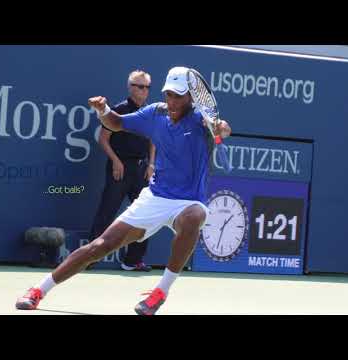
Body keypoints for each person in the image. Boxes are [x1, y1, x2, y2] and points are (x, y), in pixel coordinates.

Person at [15, 66, 232, 315]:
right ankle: (38, 291)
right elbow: (116, 123)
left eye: (178, 95)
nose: (171, 100)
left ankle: (160, 292)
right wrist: (103, 111)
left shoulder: (200, 120)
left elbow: (222, 127)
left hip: (189, 201)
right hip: (156, 196)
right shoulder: (154, 114)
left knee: (194, 217)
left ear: (190, 97)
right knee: (100, 246)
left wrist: (220, 128)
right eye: (168, 94)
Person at [87, 70, 155, 272]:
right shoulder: (118, 110)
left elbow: (153, 140)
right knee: (106, 212)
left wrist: (151, 164)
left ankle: (133, 260)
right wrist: (116, 161)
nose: (144, 91)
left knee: (145, 215)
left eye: (147, 87)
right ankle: (89, 257)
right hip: (120, 168)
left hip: (142, 169)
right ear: (130, 87)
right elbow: (103, 139)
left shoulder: (150, 112)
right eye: (140, 86)